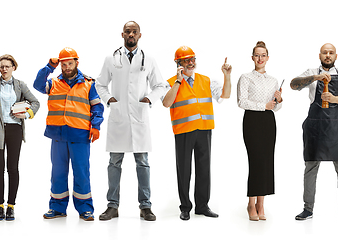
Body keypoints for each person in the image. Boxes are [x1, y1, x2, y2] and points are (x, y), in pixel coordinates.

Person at [94, 21, 168, 222]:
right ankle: (112, 205)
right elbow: (99, 84)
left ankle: (146, 206)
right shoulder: (112, 58)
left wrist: (149, 99)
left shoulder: (149, 59)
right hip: (118, 118)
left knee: (142, 163)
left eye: (134, 32)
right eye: (128, 31)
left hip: (139, 117)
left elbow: (162, 85)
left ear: (140, 35)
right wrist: (109, 99)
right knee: (114, 162)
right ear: (122, 34)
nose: (131, 34)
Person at [289, 43, 338, 222]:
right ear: (319, 55)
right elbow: (293, 85)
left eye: (331, 53)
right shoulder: (311, 72)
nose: (328, 55)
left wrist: (335, 98)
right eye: (325, 53)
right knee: (310, 168)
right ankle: (307, 209)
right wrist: (316, 77)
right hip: (315, 126)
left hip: (337, 126)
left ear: (336, 56)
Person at [34, 47, 104, 221]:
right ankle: (57, 208)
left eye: (70, 63)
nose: (66, 67)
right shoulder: (53, 83)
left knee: (81, 172)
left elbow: (97, 107)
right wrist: (49, 67)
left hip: (80, 136)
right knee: (58, 172)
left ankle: (85, 209)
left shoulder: (89, 84)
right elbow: (37, 84)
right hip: (58, 135)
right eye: (63, 64)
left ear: (76, 63)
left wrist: (96, 126)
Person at [162, 46, 231, 221]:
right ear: (178, 64)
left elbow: (225, 95)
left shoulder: (205, 80)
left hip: (204, 130)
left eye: (192, 59)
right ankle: (185, 207)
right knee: (184, 170)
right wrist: (178, 81)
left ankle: (202, 206)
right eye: (186, 60)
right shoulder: (171, 83)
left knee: (204, 169)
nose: (191, 63)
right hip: (184, 131)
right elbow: (166, 103)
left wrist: (227, 76)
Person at [0, 54, 41, 221]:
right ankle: (0, 206)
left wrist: (28, 114)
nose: (4, 69)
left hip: (15, 129)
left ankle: (11, 206)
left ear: (14, 67)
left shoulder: (20, 85)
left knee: (13, 168)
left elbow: (35, 102)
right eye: (1, 66)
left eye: (7, 66)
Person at [236, 41, 282, 221]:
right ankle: (250, 203)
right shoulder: (246, 77)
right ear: (252, 58)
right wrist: (264, 105)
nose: (260, 58)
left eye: (263, 55)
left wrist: (278, 101)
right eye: (257, 55)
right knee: (255, 161)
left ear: (268, 58)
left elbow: (274, 108)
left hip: (269, 122)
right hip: (252, 121)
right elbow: (241, 102)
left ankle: (261, 203)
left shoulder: (273, 80)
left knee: (267, 161)